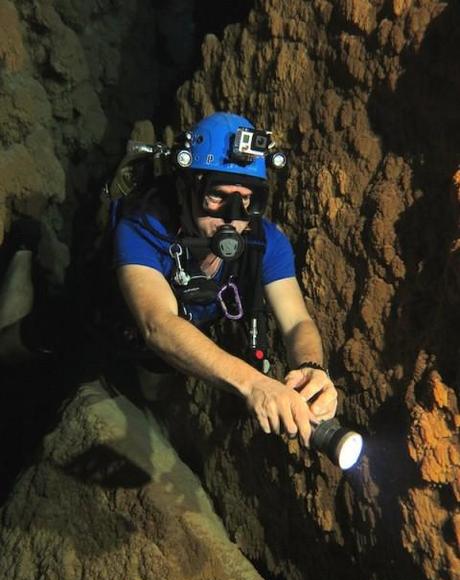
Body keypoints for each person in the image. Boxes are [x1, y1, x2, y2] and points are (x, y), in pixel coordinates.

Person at [113, 112, 338, 446]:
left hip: (166, 359)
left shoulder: (266, 243)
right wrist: (254, 384)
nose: (232, 217)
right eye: (217, 196)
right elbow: (157, 324)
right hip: (109, 327)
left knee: (152, 388)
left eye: (246, 199)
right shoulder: (141, 230)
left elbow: (296, 323)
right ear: (185, 189)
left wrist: (312, 368)